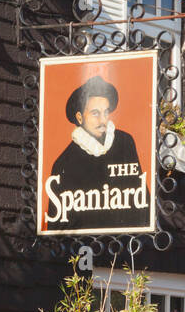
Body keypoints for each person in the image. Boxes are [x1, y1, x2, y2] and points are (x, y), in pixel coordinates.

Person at [42, 74, 149, 232]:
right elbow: (56, 228)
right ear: (79, 117)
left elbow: (143, 205)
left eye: (105, 113)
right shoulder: (64, 163)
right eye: (95, 113)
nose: (102, 120)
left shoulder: (124, 142)